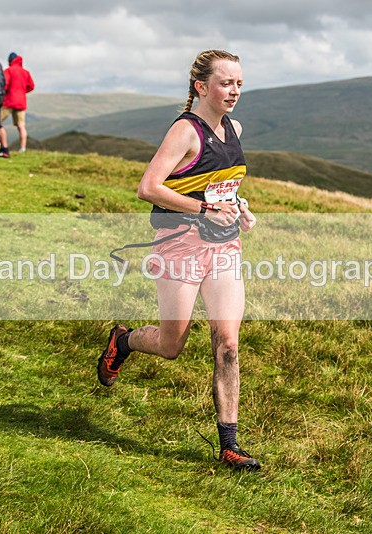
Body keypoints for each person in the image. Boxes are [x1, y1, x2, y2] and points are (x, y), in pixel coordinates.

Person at [97, 50, 260, 471]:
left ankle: (229, 444)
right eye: (226, 83)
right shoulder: (186, 131)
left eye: (239, 83)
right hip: (178, 244)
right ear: (201, 87)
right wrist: (204, 211)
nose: (235, 91)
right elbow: (148, 187)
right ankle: (124, 339)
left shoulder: (234, 128)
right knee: (172, 345)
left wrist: (237, 207)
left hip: (224, 247)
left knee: (227, 342)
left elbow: (218, 185)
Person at [1, 52, 35, 152]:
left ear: (10, 61)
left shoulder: (8, 71)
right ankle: (23, 148)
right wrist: (23, 91)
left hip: (9, 101)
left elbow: (5, 85)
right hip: (21, 102)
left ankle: (2, 145)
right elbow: (31, 86)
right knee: (21, 125)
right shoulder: (26, 72)